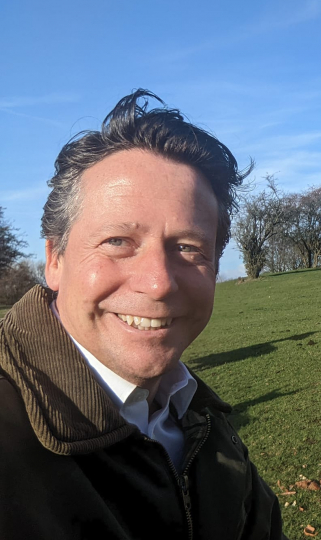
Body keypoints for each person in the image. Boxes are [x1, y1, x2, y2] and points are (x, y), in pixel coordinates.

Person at [0, 90, 289, 539]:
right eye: (118, 241)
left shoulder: (199, 419)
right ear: (54, 260)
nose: (158, 283)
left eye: (189, 248)